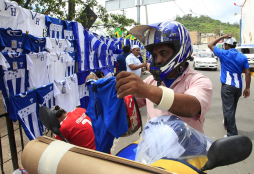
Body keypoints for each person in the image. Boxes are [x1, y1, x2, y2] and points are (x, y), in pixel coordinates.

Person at [115, 21, 213, 133]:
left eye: (164, 53)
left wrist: (147, 90)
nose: (158, 60)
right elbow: (130, 103)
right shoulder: (150, 80)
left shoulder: (198, 81)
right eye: (155, 55)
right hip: (153, 147)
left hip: (187, 149)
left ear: (180, 50)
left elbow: (192, 107)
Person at [208, 34, 251, 137]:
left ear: (227, 45)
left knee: (228, 109)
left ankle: (232, 134)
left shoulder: (224, 53)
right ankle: (227, 125)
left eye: (225, 45)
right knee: (232, 108)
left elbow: (210, 45)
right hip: (238, 87)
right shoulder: (243, 57)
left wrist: (223, 36)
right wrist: (248, 88)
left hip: (227, 86)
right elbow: (248, 73)